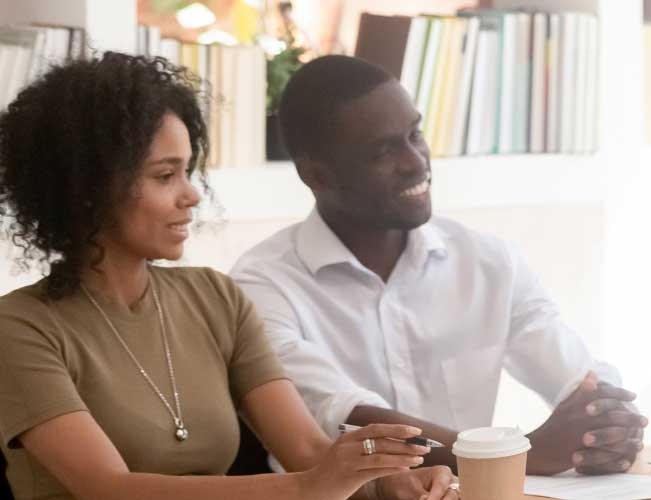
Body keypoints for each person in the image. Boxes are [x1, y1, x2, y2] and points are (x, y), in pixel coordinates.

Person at [0, 53, 455, 500]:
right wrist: (307, 486)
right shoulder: (20, 328)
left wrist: (383, 483)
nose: (192, 195)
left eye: (188, 171)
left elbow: (306, 450)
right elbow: (108, 488)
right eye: (165, 176)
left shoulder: (214, 297)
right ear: (88, 189)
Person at [230, 55, 645, 476]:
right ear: (316, 176)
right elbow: (347, 416)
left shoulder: (487, 263)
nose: (415, 161)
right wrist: (516, 454)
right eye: (383, 151)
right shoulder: (261, 285)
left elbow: (577, 376)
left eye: (415, 134)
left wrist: (605, 423)